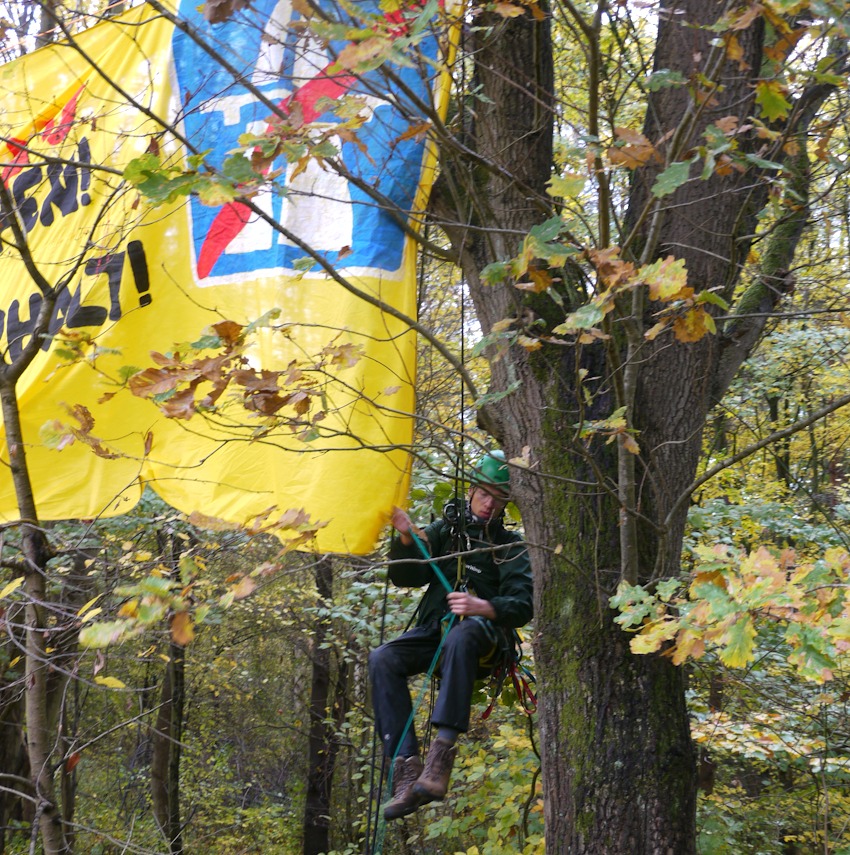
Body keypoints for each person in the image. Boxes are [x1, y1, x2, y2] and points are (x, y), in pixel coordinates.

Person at [369, 450, 533, 820]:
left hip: (483, 639)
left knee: (463, 635)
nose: (490, 504)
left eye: (499, 497)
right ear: (472, 489)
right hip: (436, 632)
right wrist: (408, 539)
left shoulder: (510, 546)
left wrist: (484, 608)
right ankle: (406, 768)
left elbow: (522, 605)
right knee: (383, 658)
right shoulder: (446, 530)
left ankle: (439, 761)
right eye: (484, 494)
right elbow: (408, 576)